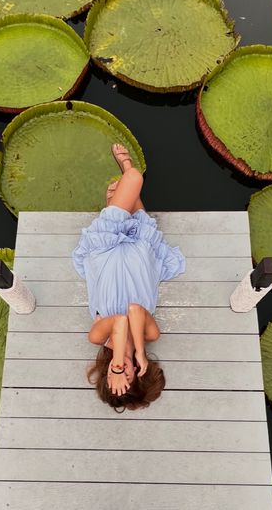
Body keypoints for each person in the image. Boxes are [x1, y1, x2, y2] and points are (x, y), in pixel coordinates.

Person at [71, 142, 186, 412]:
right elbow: (134, 310)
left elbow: (119, 321)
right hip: (139, 255)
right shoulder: (150, 334)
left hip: (106, 250)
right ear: (139, 373)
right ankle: (117, 199)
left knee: (133, 178)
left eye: (113, 376)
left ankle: (120, 187)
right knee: (132, 205)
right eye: (127, 375)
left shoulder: (99, 338)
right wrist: (139, 352)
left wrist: (122, 359)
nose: (120, 372)